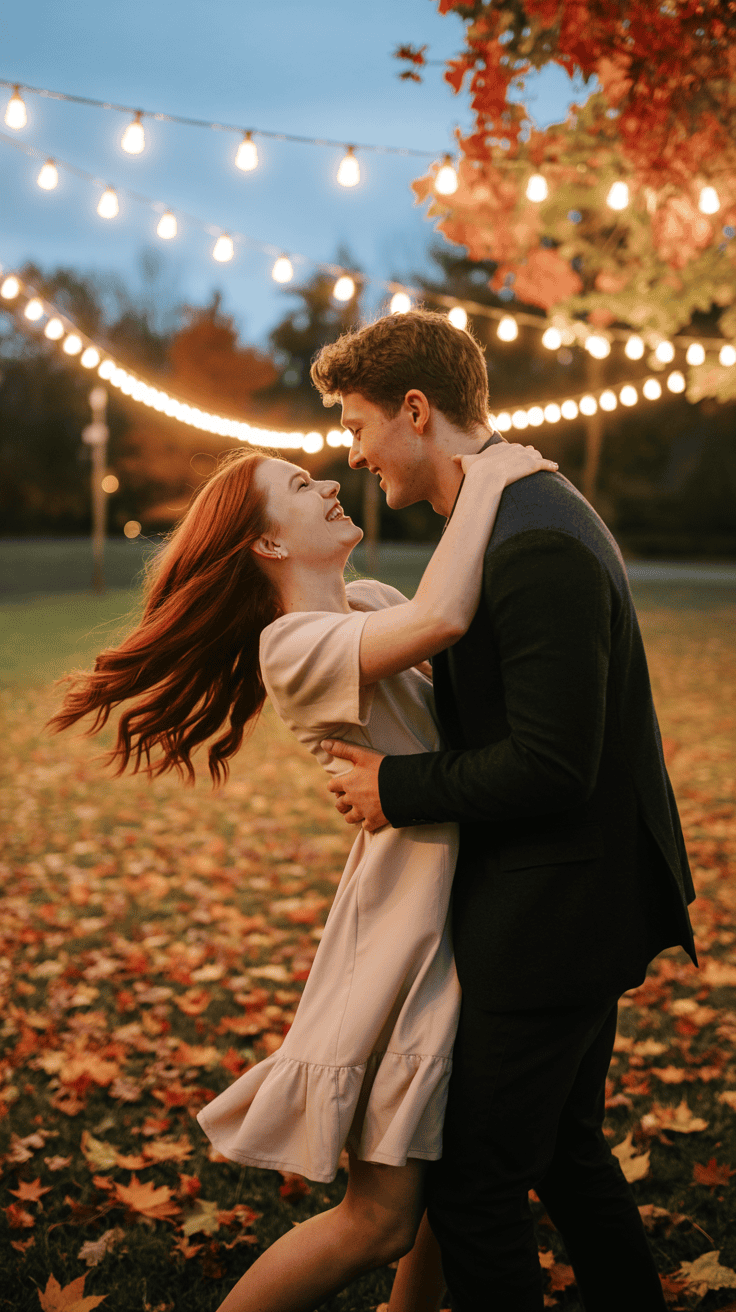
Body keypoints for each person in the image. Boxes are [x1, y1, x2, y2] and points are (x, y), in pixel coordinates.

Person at [46, 433, 557, 1312]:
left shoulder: (369, 598)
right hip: (406, 932)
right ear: (270, 544)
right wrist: (493, 479)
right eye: (298, 484)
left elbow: (456, 660)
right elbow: (444, 619)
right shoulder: (294, 644)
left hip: (469, 903)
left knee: (456, 1167)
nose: (326, 484)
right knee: (381, 1218)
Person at [309, 308, 699, 1312]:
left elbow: (552, 764)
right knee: (564, 1153)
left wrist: (390, 789)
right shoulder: (512, 512)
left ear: (413, 408)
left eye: (356, 426)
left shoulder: (534, 540)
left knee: (476, 1179)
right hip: (571, 897)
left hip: (557, 910)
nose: (354, 455)